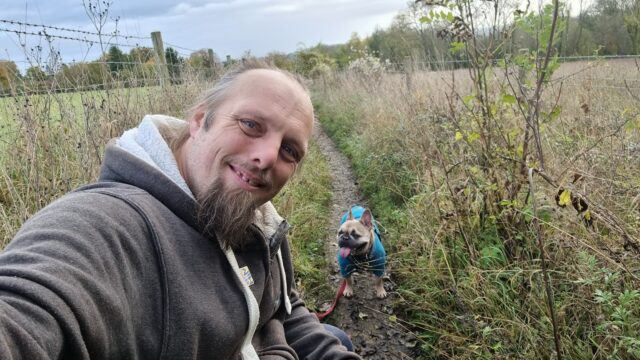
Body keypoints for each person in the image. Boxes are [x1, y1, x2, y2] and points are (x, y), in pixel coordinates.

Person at [0, 60, 360, 359]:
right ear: (200, 118)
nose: (267, 157)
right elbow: (27, 307)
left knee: (336, 341)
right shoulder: (108, 224)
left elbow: (285, 306)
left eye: (289, 151)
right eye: (251, 125)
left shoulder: (257, 216)